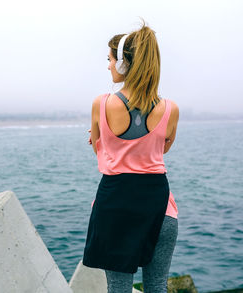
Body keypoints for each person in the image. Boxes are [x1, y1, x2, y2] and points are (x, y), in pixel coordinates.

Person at [82, 22, 180, 293]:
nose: (109, 66)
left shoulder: (101, 104)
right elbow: (163, 149)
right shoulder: (171, 109)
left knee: (118, 289)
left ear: (124, 64)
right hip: (161, 209)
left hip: (115, 207)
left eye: (110, 60)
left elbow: (100, 151)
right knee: (157, 285)